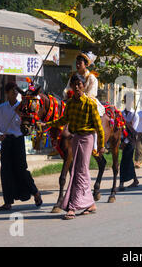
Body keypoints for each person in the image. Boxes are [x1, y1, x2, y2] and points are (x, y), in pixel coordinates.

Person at [39, 74, 105, 220]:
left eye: (79, 84)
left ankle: (73, 207)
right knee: (82, 171)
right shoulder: (70, 104)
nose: (76, 87)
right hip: (75, 139)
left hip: (87, 139)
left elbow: (99, 127)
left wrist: (100, 146)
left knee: (78, 171)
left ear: (83, 86)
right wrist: (47, 124)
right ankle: (90, 204)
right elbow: (64, 119)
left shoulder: (90, 103)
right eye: (74, 84)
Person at [0, 82, 42, 211]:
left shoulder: (23, 106)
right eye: (12, 91)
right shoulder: (1, 108)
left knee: (21, 170)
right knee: (6, 172)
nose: (15, 93)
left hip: (18, 141)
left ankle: (35, 193)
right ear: (6, 93)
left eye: (16, 91)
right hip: (6, 141)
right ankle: (7, 202)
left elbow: (30, 121)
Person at [63, 52, 105, 156]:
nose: (77, 65)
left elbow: (92, 93)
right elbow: (67, 88)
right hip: (74, 99)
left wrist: (81, 96)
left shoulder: (91, 77)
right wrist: (67, 94)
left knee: (94, 119)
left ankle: (95, 146)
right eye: (76, 63)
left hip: (88, 100)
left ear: (86, 64)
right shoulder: (73, 76)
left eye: (80, 63)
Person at [119, 93, 140, 191]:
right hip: (123, 140)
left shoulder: (135, 115)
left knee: (124, 161)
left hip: (131, 141)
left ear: (132, 102)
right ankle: (135, 180)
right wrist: (120, 141)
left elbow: (133, 131)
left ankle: (121, 183)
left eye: (130, 101)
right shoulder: (121, 114)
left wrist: (125, 142)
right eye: (126, 101)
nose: (128, 103)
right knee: (129, 160)